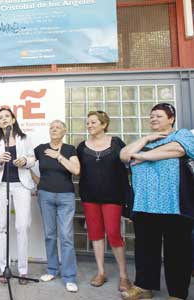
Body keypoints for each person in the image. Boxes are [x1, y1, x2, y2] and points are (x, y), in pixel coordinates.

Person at [120, 103, 194, 300]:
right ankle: (144, 287)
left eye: (159, 116)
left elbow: (176, 150)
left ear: (171, 119)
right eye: (151, 116)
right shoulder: (145, 141)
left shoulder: (183, 135)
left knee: (178, 251)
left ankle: (177, 293)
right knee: (145, 249)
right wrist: (145, 139)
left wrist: (142, 156)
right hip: (145, 204)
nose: (153, 119)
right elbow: (124, 155)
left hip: (174, 204)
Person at [76, 111, 131, 292]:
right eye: (88, 122)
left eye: (93, 122)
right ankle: (101, 272)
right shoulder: (82, 147)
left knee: (114, 233)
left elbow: (128, 164)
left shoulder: (116, 143)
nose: (89, 125)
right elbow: (77, 169)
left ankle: (124, 276)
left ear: (104, 124)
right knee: (95, 234)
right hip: (90, 197)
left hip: (113, 197)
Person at [0, 108, 35, 284]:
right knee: (2, 227)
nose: (4, 119)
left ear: (13, 120)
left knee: (22, 226)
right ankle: (4, 268)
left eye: (7, 116)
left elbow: (33, 159)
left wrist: (25, 161)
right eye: (1, 118)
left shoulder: (25, 139)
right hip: (1, 187)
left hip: (21, 186)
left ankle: (23, 271)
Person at [34, 120, 80, 292]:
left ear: (64, 131)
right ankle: (52, 270)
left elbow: (76, 170)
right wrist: (37, 182)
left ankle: (69, 276)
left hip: (66, 197)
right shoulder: (41, 148)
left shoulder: (69, 149)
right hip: (45, 196)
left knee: (66, 237)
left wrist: (58, 156)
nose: (54, 130)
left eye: (58, 127)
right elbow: (28, 163)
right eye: (52, 127)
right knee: (50, 235)